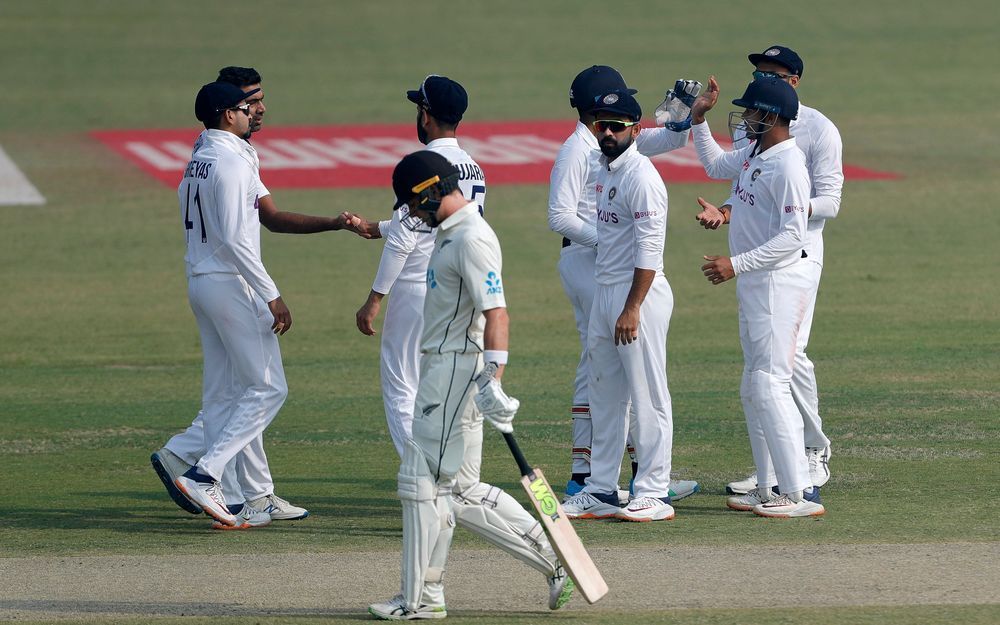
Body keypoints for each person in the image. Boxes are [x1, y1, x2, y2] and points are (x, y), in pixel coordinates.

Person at [152, 68, 365, 529]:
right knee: (269, 387)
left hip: (203, 281)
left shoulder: (202, 156)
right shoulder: (228, 162)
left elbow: (252, 221)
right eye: (248, 108)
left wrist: (330, 223)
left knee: (224, 394)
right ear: (229, 114)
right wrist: (272, 295)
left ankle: (248, 497)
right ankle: (205, 474)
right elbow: (234, 238)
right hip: (230, 282)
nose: (255, 113)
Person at [368, 151, 571, 620]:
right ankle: (553, 559)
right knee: (460, 490)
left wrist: (494, 379)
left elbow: (496, 311)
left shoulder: (472, 238)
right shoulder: (451, 231)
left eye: (414, 205)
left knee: (420, 482)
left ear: (431, 190)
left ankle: (418, 600)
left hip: (454, 372)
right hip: (447, 368)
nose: (413, 215)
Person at [691, 46, 842, 497]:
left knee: (780, 368)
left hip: (790, 262)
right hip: (760, 264)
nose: (757, 82)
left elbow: (813, 214)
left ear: (790, 83)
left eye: (768, 77)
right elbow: (722, 168)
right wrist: (699, 121)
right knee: (757, 379)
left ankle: (805, 465)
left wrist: (745, 250)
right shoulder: (759, 146)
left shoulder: (803, 144)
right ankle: (774, 475)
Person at [549, 65, 701, 504]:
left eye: (619, 124)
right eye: (605, 123)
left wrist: (688, 115)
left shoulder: (622, 161)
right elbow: (559, 215)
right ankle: (596, 483)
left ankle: (648, 486)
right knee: (602, 378)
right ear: (595, 119)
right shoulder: (589, 154)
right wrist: (611, 242)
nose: (609, 131)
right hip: (592, 267)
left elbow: (667, 141)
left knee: (640, 386)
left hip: (627, 281)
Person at [353, 75, 486, 458]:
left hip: (417, 288)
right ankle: (446, 468)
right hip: (460, 289)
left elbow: (405, 238)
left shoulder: (425, 164)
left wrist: (374, 298)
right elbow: (433, 222)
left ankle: (424, 474)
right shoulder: (474, 167)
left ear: (425, 116)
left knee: (401, 385)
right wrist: (377, 227)